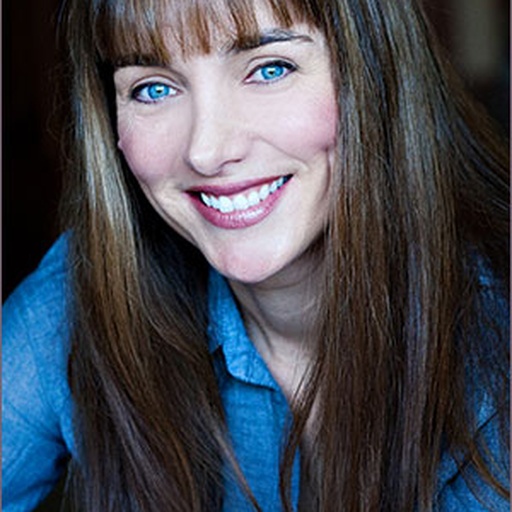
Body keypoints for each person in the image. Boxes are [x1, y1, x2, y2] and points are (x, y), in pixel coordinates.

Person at [2, 0, 509, 510]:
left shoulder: (498, 330)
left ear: (375, 73)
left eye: (270, 69)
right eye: (153, 88)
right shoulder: (80, 299)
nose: (206, 150)